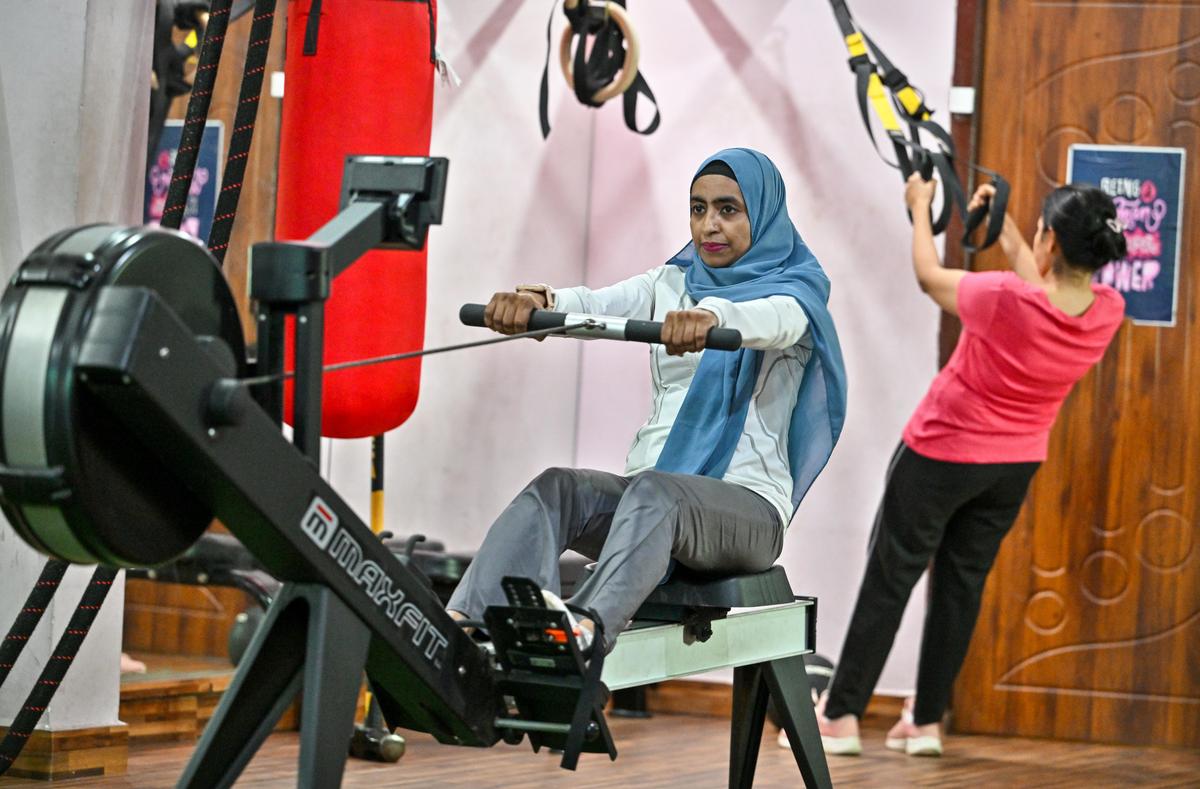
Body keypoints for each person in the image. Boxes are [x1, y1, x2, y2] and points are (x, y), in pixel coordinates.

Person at [447, 148, 847, 655]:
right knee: (559, 488)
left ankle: (583, 631)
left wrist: (713, 317)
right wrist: (538, 302)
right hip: (651, 505)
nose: (709, 225)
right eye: (698, 209)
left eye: (728, 209)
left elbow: (771, 321)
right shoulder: (671, 284)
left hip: (747, 511)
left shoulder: (797, 294)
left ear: (763, 214)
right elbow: (594, 304)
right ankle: (463, 629)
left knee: (658, 492)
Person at [813, 175, 1126, 756]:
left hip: (940, 453)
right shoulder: (1106, 310)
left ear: (1051, 242)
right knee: (961, 588)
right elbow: (1047, 294)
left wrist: (919, 208)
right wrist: (1007, 228)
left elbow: (929, 278)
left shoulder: (1005, 298)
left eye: (1037, 233)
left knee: (891, 578)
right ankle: (925, 723)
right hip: (1013, 468)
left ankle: (840, 715)